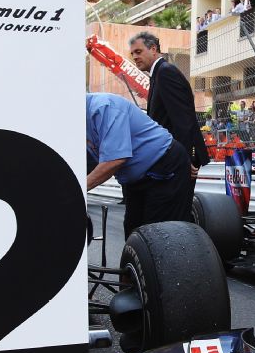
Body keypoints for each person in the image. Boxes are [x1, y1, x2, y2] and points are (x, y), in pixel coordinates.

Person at [86, 93, 192, 236]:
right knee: (133, 232)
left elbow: (114, 160)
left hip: (165, 165)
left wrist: (78, 188)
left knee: (159, 235)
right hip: (136, 179)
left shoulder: (104, 106)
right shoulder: (76, 123)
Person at [129, 31, 210, 178]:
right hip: (171, 159)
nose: (134, 57)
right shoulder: (158, 74)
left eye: (138, 51)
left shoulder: (165, 72)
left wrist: (184, 160)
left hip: (178, 161)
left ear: (153, 49)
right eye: (132, 53)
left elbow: (183, 121)